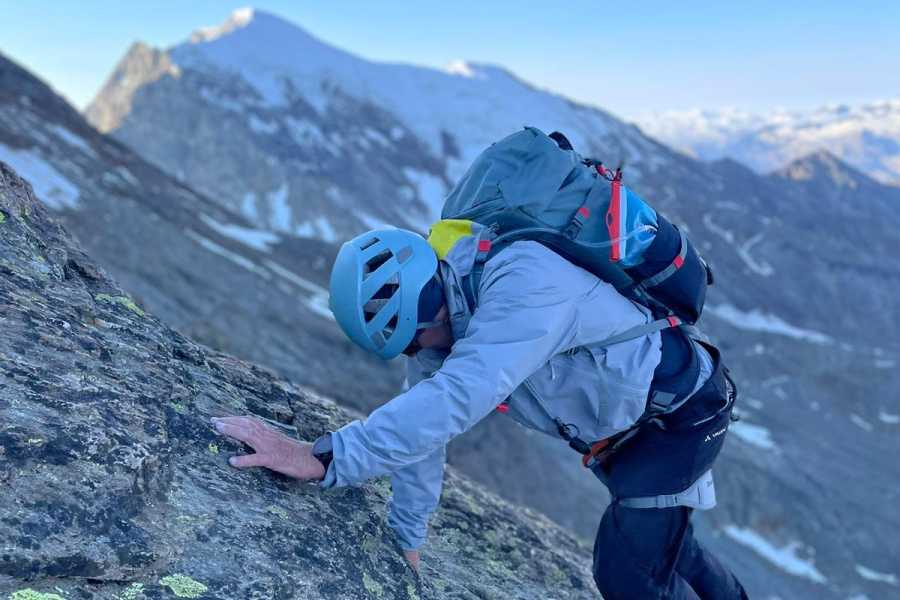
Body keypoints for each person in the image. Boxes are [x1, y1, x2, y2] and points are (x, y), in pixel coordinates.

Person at [213, 210, 748, 599]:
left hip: (680, 414)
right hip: (623, 436)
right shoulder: (441, 323)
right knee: (666, 544)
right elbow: (425, 428)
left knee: (628, 574)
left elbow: (460, 395)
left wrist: (324, 457)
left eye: (420, 339)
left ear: (430, 300)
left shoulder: (525, 278)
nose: (424, 354)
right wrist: (406, 535)